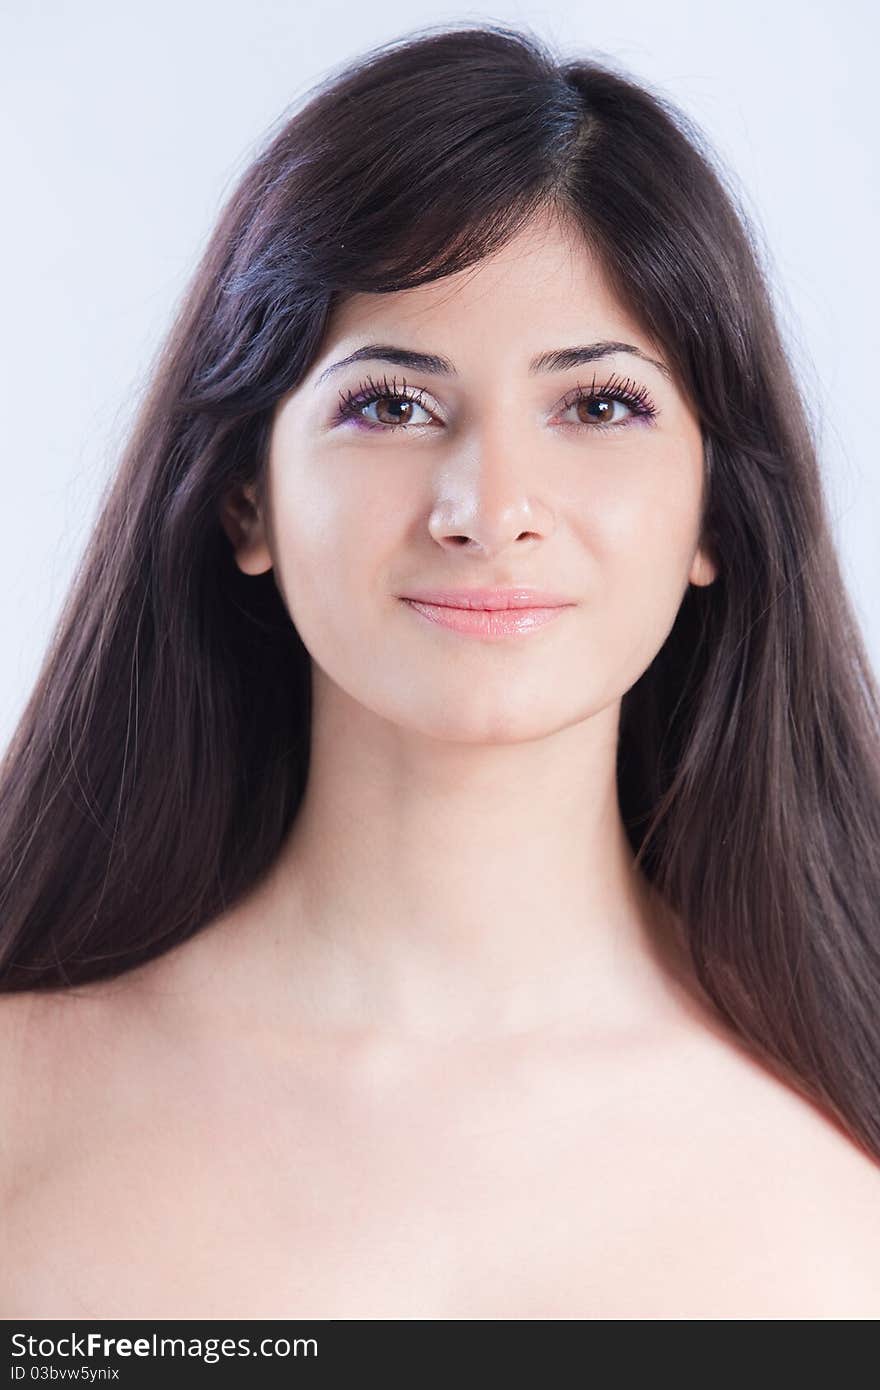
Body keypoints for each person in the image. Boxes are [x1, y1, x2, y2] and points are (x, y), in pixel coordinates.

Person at [1, 23, 879, 1320]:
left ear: (711, 514)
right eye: (392, 404)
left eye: (596, 405)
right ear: (246, 498)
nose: (491, 506)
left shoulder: (844, 1154)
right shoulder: (23, 1115)